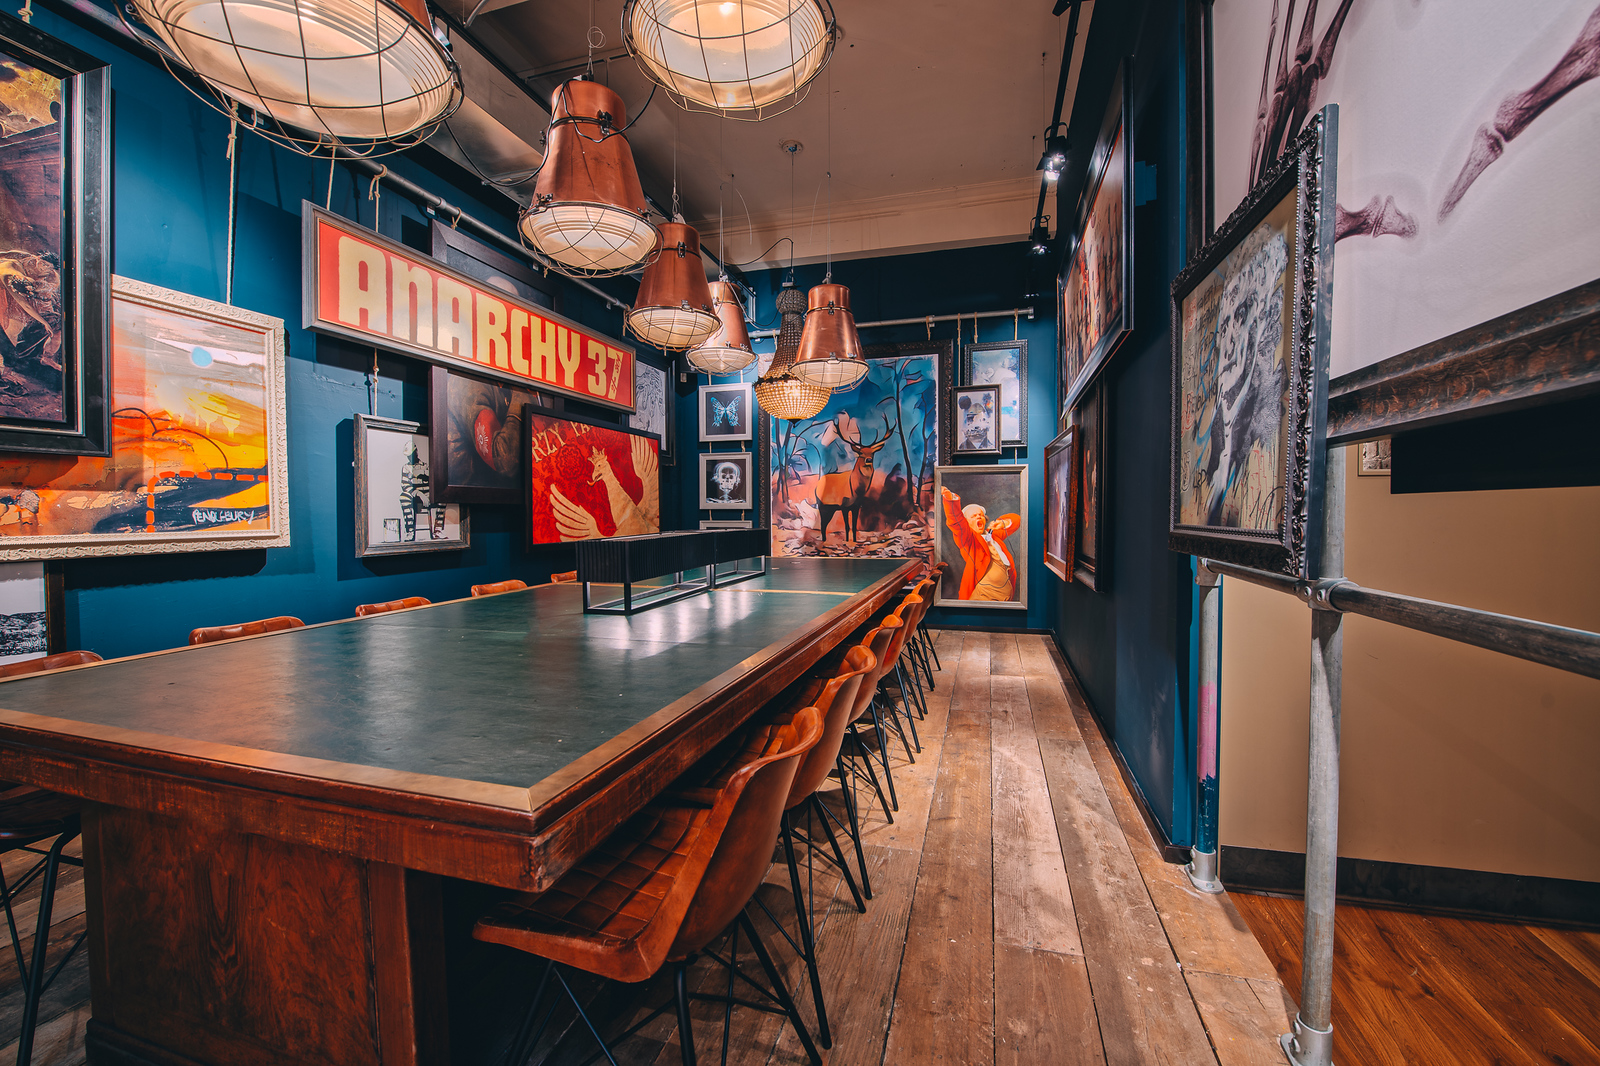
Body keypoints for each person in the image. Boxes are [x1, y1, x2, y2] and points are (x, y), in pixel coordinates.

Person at [940, 486, 1021, 601]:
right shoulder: (968, 539)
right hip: (984, 595)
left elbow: (1016, 520)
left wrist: (1002, 523)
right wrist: (950, 499)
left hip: (1004, 595)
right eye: (974, 516)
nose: (979, 516)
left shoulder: (993, 535)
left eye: (981, 515)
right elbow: (956, 521)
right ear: (966, 522)